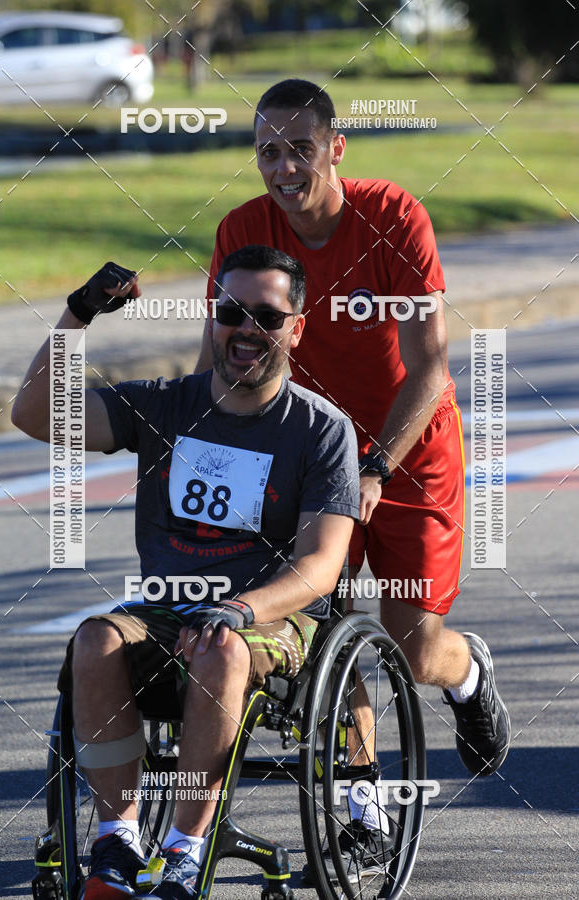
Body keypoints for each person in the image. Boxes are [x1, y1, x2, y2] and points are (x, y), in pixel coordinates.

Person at [12, 246, 364, 899]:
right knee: (94, 638)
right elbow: (34, 415)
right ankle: (116, 843)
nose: (246, 329)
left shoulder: (320, 430)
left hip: (267, 621)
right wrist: (77, 313)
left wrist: (240, 609)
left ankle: (185, 846)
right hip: (166, 610)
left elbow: (321, 564)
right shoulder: (164, 406)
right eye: (232, 311)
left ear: (297, 327)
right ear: (213, 316)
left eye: (268, 315)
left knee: (221, 649)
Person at [195, 79, 511, 786]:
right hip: (307, 453)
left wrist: (374, 468)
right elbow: (216, 362)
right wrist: (198, 460)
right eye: (267, 152)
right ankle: (363, 804)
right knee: (319, 621)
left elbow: (429, 371)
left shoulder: (394, 217)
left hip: (407, 444)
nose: (284, 169)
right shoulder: (241, 233)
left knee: (413, 647)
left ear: (336, 149)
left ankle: (468, 672)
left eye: (300, 150)